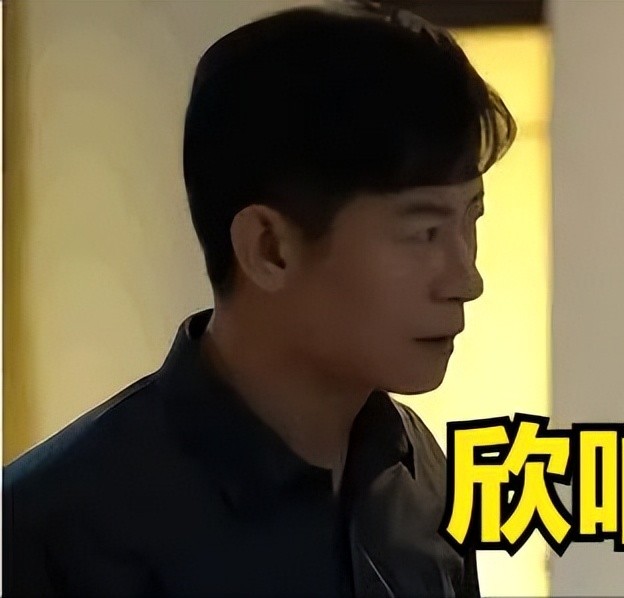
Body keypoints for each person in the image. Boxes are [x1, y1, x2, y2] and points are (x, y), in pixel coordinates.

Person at [3, 3, 513, 596]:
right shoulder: (54, 533)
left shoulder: (424, 481)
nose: (466, 279)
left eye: (470, 221)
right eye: (424, 232)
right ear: (269, 249)